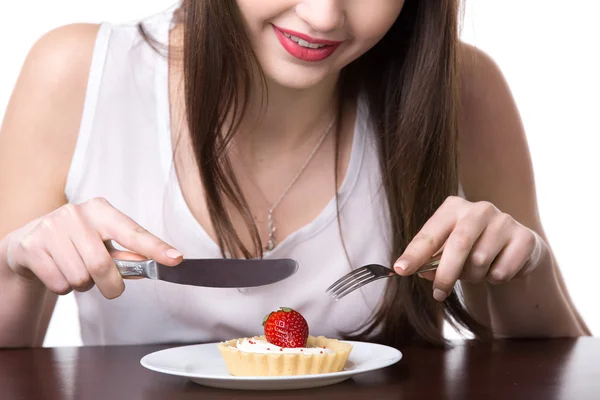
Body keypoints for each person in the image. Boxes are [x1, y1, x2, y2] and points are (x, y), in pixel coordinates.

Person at [0, 0, 589, 349]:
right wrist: (17, 266)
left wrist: (518, 267)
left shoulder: (460, 88)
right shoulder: (79, 72)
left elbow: (557, 367)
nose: (322, 14)